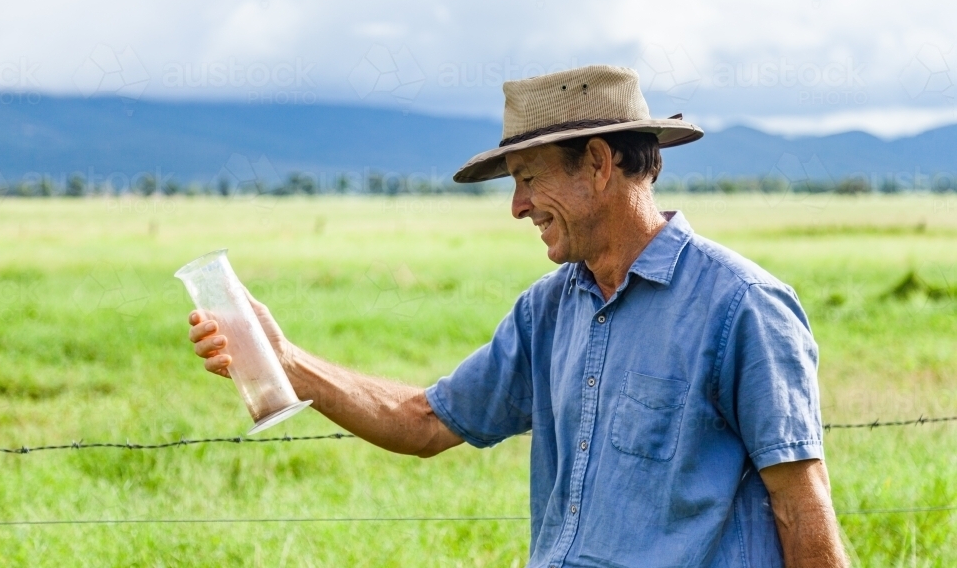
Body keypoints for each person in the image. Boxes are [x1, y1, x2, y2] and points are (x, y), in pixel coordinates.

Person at [188, 65, 849, 567]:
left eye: (529, 178)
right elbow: (424, 421)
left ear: (597, 163)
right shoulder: (549, 308)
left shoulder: (742, 306)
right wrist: (289, 360)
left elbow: (802, 510)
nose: (517, 205)